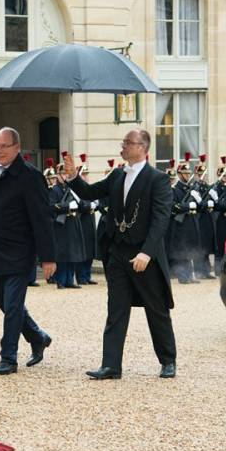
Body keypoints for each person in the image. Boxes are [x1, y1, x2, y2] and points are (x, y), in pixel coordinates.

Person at [65, 128, 177, 380]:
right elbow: (89, 193)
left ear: (142, 148)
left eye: (128, 142)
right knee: (116, 309)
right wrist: (73, 177)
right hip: (117, 253)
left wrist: (147, 253)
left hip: (143, 256)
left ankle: (168, 360)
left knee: (156, 309)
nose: (123, 146)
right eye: (124, 142)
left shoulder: (157, 179)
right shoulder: (117, 175)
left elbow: (161, 220)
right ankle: (111, 365)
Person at [0, 127, 55, 375]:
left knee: (13, 305)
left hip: (19, 250)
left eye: (4, 146)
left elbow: (42, 217)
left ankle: (8, 357)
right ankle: (37, 337)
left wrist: (48, 257)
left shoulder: (30, 176)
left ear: (17, 148)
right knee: (3, 301)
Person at [50, 162, 85, 289]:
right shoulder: (55, 190)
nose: (65, 176)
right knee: (63, 254)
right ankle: (61, 280)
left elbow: (82, 203)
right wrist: (67, 206)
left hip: (72, 223)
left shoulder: (71, 189)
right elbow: (52, 206)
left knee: (72, 254)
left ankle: (70, 280)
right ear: (58, 175)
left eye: (66, 173)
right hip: (61, 225)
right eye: (63, 174)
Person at [169, 153, 202, 284]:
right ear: (179, 174)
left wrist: (198, 201)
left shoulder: (191, 188)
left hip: (192, 223)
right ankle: (183, 276)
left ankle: (189, 274)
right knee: (182, 250)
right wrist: (188, 205)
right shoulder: (174, 190)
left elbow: (201, 207)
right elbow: (173, 207)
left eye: (189, 173)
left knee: (190, 250)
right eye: (185, 173)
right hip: (181, 225)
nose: (188, 175)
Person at [75, 154, 99, 285]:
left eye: (87, 174)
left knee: (90, 250)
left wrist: (96, 204)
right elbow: (78, 204)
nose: (86, 176)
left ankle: (87, 275)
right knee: (83, 251)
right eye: (84, 174)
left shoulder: (89, 187)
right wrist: (88, 205)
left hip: (90, 221)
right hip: (82, 220)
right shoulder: (78, 189)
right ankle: (81, 276)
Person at [192, 155, 216, 279]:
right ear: (196, 174)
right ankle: (198, 271)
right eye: (200, 173)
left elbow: (214, 203)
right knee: (199, 245)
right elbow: (197, 206)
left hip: (207, 218)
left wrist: (214, 199)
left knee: (206, 245)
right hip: (198, 218)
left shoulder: (207, 187)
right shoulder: (194, 187)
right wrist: (204, 203)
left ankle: (206, 270)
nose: (202, 175)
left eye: (203, 173)